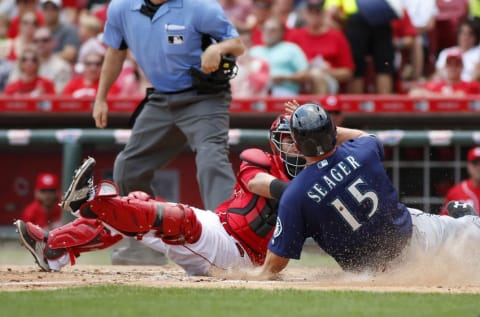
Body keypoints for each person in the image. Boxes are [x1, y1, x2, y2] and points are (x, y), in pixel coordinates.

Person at [15, 112, 306, 275]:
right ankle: (55, 250)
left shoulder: (315, 181)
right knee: (140, 204)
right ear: (275, 142)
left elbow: (354, 140)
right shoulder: (260, 159)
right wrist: (302, 193)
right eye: (287, 140)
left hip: (239, 254)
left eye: (299, 140)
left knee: (175, 219)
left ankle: (91, 204)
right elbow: (258, 184)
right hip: (221, 229)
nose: (293, 146)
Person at [260, 103, 480, 278]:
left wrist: (255, 274)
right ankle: (468, 223)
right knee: (466, 233)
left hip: (370, 274)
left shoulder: (295, 194)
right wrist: (321, 126)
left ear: (297, 148)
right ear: (332, 131)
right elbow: (361, 134)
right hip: (414, 237)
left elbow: (276, 262)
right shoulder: (362, 151)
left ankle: (466, 222)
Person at [286, 0, 354, 95]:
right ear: (304, 14)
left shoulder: (337, 36)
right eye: (311, 11)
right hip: (299, 81)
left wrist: (328, 71)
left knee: (317, 74)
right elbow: (285, 64)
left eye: (318, 11)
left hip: (328, 80)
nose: (314, 15)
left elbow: (348, 72)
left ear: (324, 14)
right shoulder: (295, 35)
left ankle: (316, 108)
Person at [249, 16, 309, 96]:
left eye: (273, 30)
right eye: (265, 29)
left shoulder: (291, 48)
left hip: (283, 90)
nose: (268, 32)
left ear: (282, 33)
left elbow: (305, 75)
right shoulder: (254, 51)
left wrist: (284, 78)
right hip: (256, 93)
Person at [408, 49, 480, 97]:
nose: (453, 67)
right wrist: (448, 96)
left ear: (462, 66)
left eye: (457, 64)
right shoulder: (435, 85)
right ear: (445, 67)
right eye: (450, 64)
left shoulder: (471, 85)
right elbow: (413, 93)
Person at [440, 146, 480, 217]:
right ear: (468, 166)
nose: (479, 167)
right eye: (475, 163)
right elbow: (444, 221)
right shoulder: (456, 192)